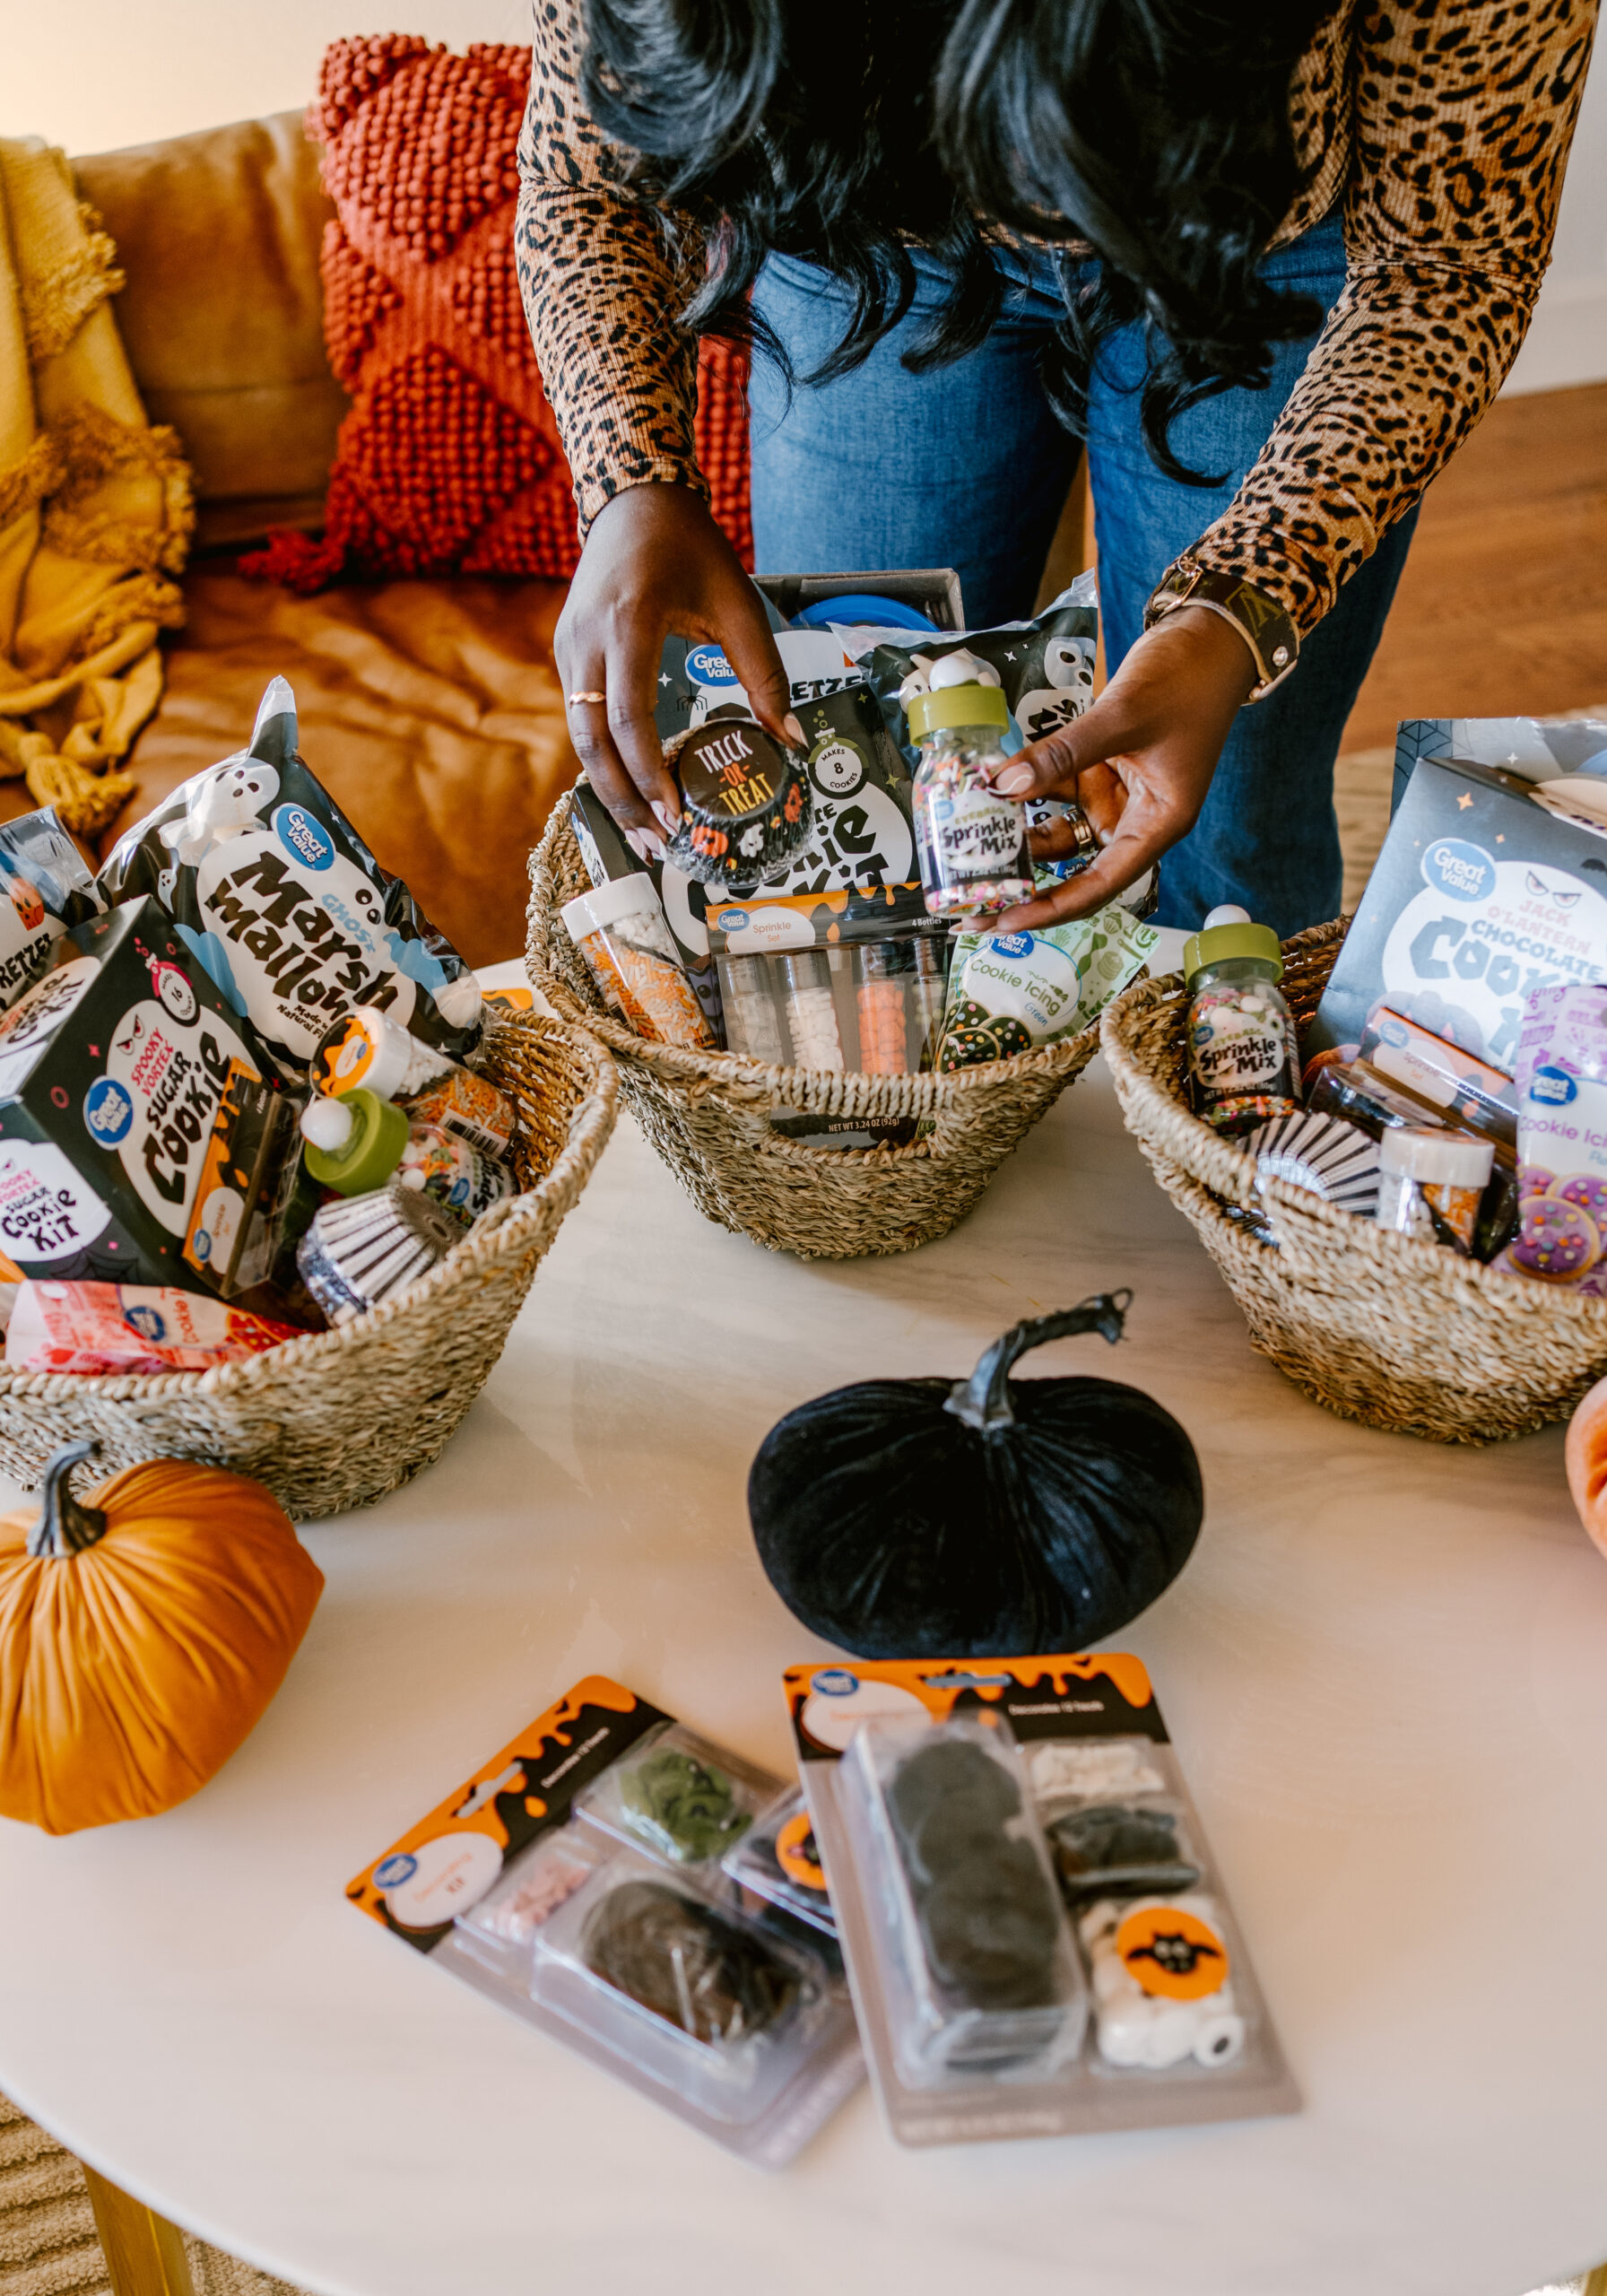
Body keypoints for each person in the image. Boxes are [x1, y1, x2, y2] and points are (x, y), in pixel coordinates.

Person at [517, 0, 1597, 937]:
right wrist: (631, 480)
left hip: (1260, 242)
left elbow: (1447, 259)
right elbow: (587, 177)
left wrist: (1237, 608)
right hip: (867, 223)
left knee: (1222, 839)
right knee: (857, 783)